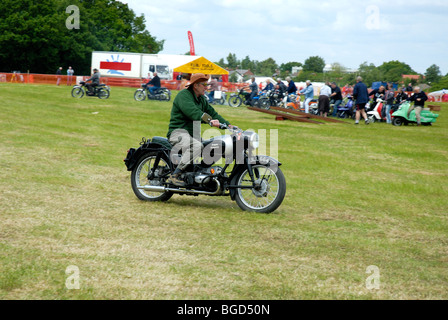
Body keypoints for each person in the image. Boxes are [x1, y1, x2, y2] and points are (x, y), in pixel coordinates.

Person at [166, 73, 235, 186]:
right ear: (195, 85)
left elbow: (213, 113)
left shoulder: (201, 99)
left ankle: (199, 171)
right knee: (197, 146)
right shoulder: (184, 95)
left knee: (216, 146)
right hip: (178, 133)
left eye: (207, 84)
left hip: (194, 136)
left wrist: (229, 125)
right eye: (204, 84)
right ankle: (175, 175)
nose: (206, 87)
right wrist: (209, 120)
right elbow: (193, 112)